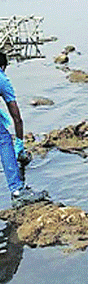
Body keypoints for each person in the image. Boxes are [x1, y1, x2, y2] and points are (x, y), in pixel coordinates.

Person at [0, 52, 48, 208]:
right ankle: (17, 191)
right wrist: (19, 144)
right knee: (4, 140)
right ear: (3, 66)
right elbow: (16, 117)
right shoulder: (1, 78)